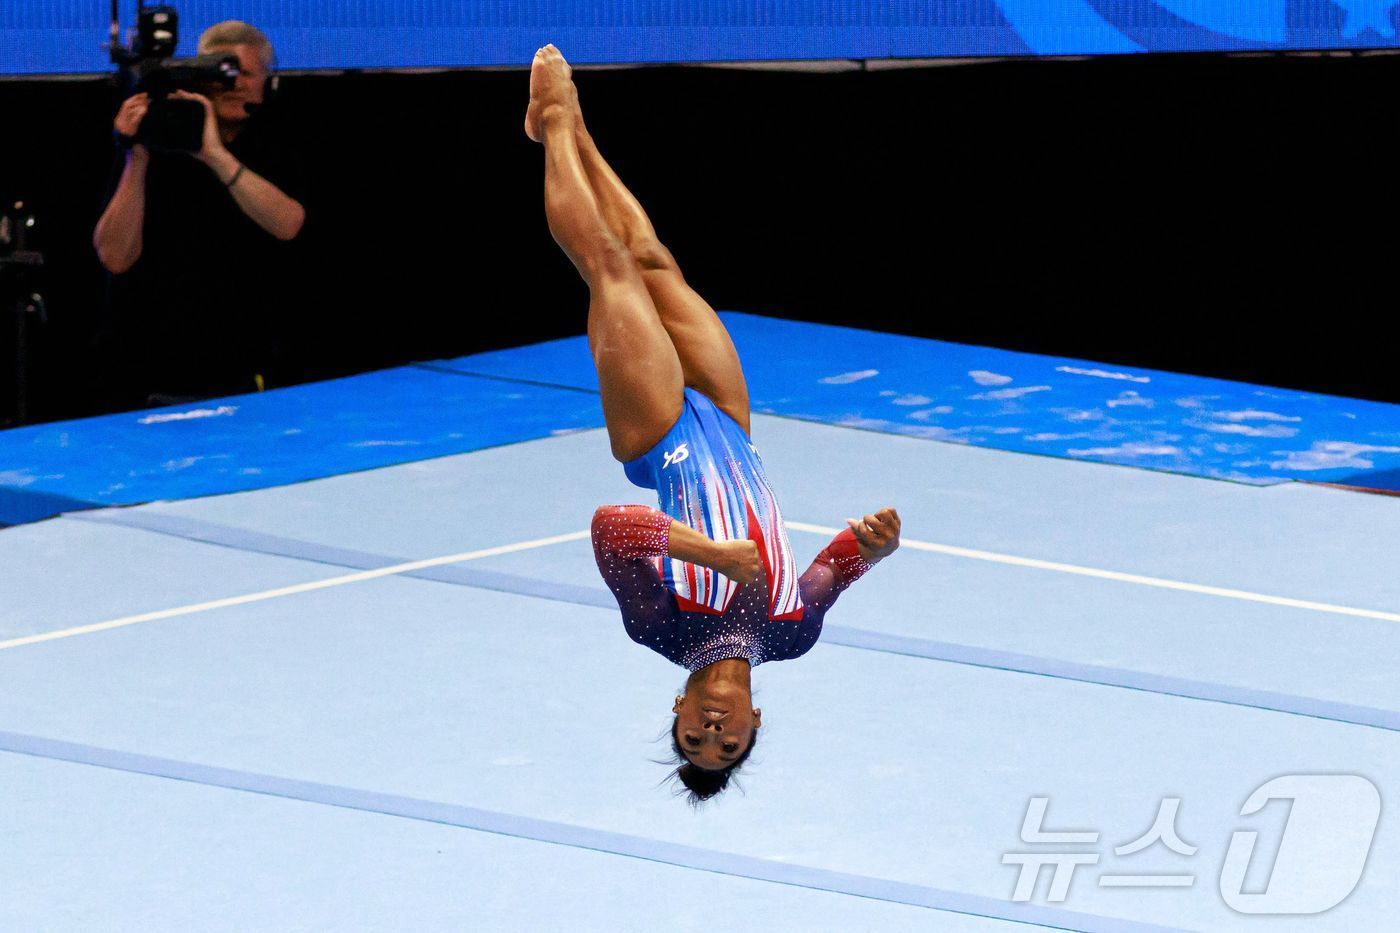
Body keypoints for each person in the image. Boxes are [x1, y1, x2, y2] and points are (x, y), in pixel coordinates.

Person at [525, 45, 902, 805]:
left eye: (694, 736)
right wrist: (873, 546)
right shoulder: (792, 635)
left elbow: (611, 528)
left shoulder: (660, 628)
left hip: (659, 438)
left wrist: (710, 554)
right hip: (731, 427)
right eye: (728, 742)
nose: (712, 729)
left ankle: (557, 123)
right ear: (756, 721)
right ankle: (573, 133)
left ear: (677, 709)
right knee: (654, 260)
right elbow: (827, 572)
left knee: (609, 267)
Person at [93, 20, 306, 408]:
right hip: (152, 366)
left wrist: (214, 155)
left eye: (246, 73)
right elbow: (114, 257)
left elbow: (289, 223)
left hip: (247, 366)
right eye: (223, 71)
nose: (234, 83)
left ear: (267, 83)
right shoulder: (158, 141)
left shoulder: (276, 142)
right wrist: (136, 153)